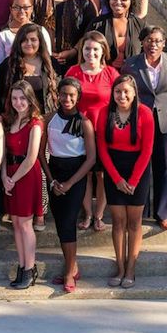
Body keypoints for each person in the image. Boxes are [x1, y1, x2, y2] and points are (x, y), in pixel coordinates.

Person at [123, 27, 167, 230]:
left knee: (163, 167)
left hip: (166, 122)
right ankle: (140, 210)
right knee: (141, 166)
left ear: (164, 43)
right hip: (140, 121)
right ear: (143, 42)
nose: (153, 45)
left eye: (158, 40)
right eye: (149, 40)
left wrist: (160, 108)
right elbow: (127, 93)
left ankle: (161, 213)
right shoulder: (131, 64)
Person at [96, 74, 154, 288]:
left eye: (126, 92)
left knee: (134, 222)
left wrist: (133, 179)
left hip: (137, 170)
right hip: (114, 170)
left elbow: (147, 149)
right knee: (118, 222)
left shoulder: (145, 114)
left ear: (134, 93)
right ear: (113, 92)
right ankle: (120, 267)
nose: (122, 95)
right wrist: (117, 179)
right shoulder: (105, 113)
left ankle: (131, 268)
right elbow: (101, 147)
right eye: (118, 91)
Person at [41, 77, 96, 293]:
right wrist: (52, 180)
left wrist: (70, 183)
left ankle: (68, 272)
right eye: (63, 94)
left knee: (68, 222)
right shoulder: (49, 119)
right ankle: (73, 266)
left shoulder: (84, 123)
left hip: (76, 175)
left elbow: (91, 158)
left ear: (78, 97)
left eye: (72, 95)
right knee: (60, 222)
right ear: (57, 95)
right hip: (55, 173)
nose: (67, 99)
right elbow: (41, 153)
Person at [66, 31, 121, 232]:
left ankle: (99, 215)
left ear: (103, 51)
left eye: (95, 49)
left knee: (102, 174)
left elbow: (120, 102)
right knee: (85, 174)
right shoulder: (73, 72)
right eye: (87, 49)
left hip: (104, 130)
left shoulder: (111, 74)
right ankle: (88, 214)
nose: (91, 53)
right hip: (78, 130)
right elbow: (66, 101)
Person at [2, 81, 44, 290]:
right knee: (16, 223)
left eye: (22, 98)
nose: (19, 103)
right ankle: (21, 265)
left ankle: (30, 267)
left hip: (26, 175)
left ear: (30, 99)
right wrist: (4, 177)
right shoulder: (9, 121)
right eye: (15, 98)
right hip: (10, 173)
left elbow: (31, 157)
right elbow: (3, 154)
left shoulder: (35, 122)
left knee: (26, 224)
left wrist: (13, 178)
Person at [31, 0, 97, 73]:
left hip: (76, 61)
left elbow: (91, 29)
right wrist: (43, 51)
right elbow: (29, 26)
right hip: (41, 59)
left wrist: (74, 51)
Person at [0, 24, 57, 120]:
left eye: (33, 40)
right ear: (18, 42)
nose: (28, 43)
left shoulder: (51, 63)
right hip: (16, 120)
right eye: (24, 40)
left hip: (46, 119)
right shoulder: (8, 64)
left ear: (40, 42)